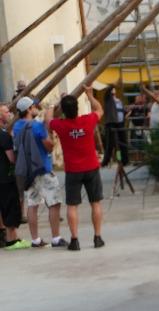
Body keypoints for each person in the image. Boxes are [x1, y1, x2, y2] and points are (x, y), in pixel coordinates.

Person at [49, 88, 105, 251]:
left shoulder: (60, 125)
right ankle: (97, 237)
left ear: (64, 111)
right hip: (91, 167)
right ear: (77, 108)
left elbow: (48, 119)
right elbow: (99, 109)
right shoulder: (88, 120)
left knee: (72, 205)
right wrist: (90, 95)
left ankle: (75, 240)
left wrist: (54, 105)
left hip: (73, 170)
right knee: (95, 202)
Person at [13, 97, 64, 248]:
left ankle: (35, 239)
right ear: (29, 109)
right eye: (34, 106)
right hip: (43, 168)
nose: (36, 107)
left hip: (28, 171)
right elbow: (49, 146)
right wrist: (51, 136)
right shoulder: (36, 126)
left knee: (32, 204)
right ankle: (56, 238)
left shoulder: (16, 126)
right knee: (54, 203)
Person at [0, 103, 28, 251]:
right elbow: (11, 159)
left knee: (3, 207)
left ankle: (10, 237)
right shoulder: (4, 136)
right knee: (11, 207)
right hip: (6, 177)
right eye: (6, 112)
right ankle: (11, 240)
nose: (10, 114)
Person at [100, 88, 128, 167]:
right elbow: (107, 93)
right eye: (112, 91)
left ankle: (124, 160)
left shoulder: (119, 101)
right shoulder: (108, 100)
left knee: (122, 142)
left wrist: (126, 113)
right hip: (111, 123)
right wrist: (112, 86)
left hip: (120, 123)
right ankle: (106, 161)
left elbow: (121, 111)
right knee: (110, 144)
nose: (113, 91)